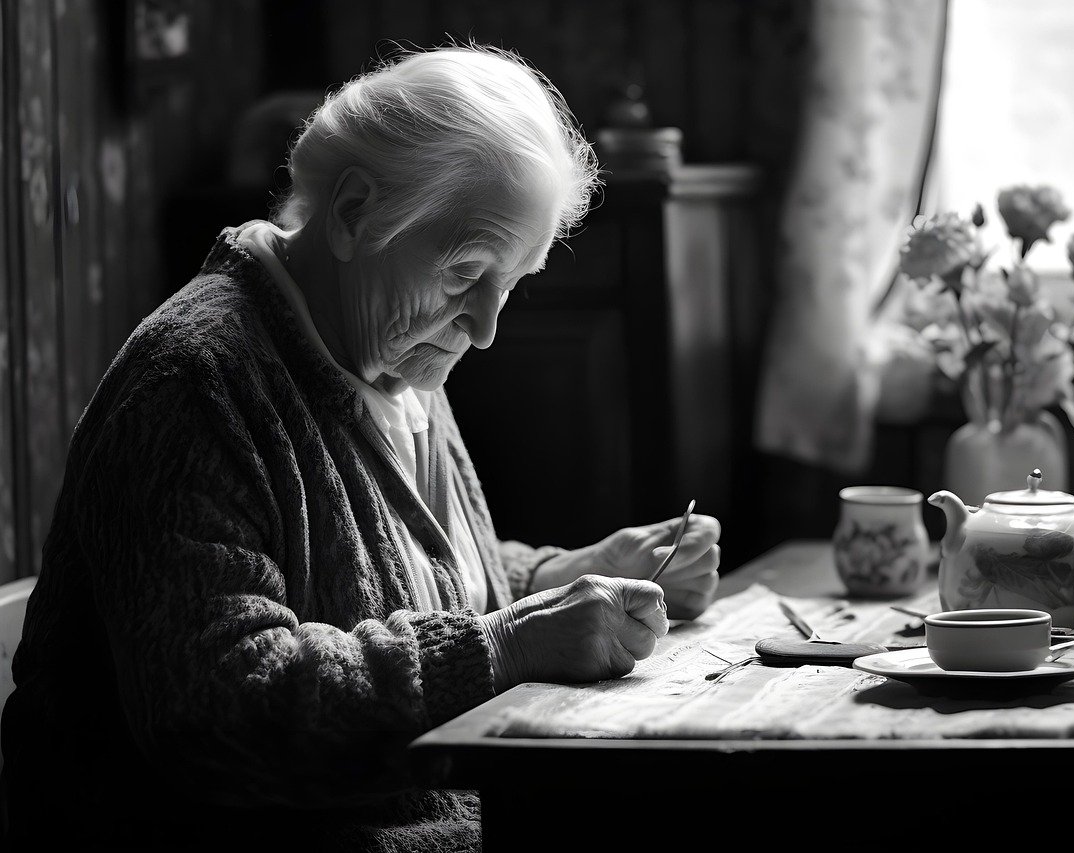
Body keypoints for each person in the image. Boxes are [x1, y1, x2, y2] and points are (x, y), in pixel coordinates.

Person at [0, 44, 721, 852]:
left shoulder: (389, 346)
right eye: (465, 276)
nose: (484, 330)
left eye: (510, 286)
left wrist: (558, 574)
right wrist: (507, 644)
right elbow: (219, 711)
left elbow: (393, 580)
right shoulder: (194, 382)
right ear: (351, 213)